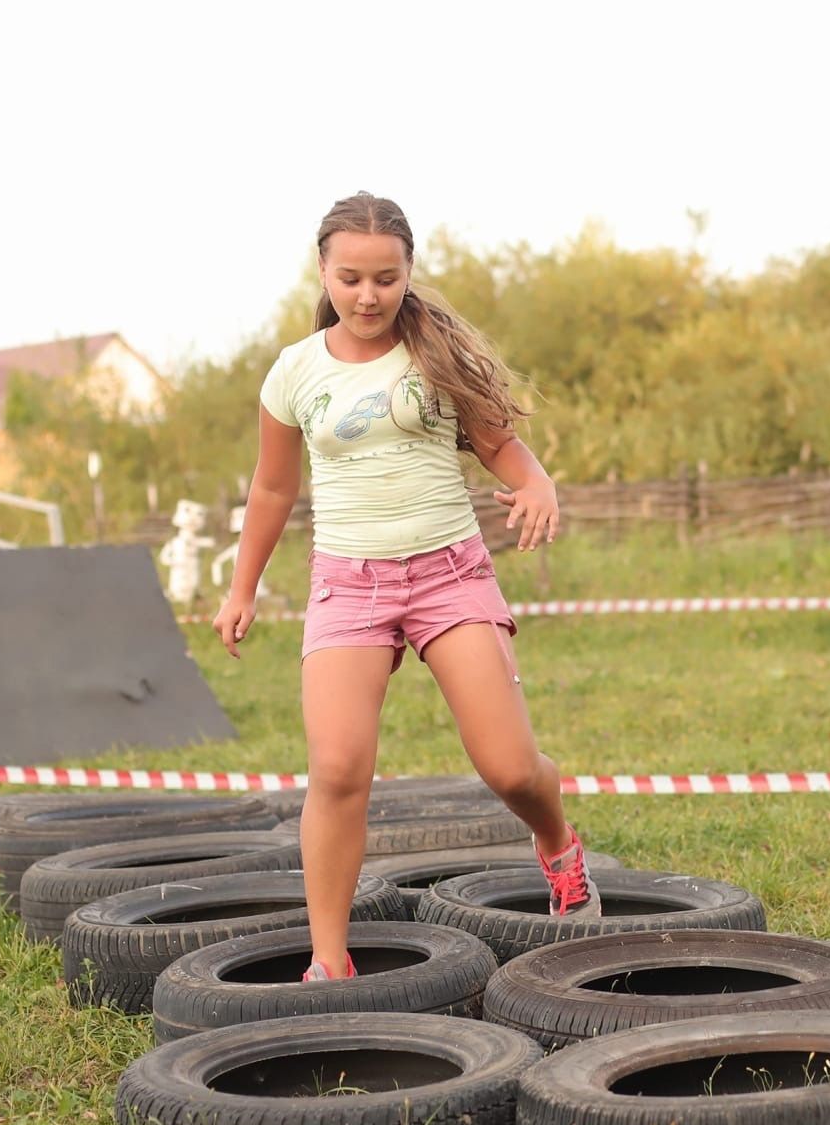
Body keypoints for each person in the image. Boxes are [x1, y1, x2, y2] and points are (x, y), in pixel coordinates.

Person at [212, 191, 600, 982]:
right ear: (323, 270)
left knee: (509, 767)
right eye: (351, 277)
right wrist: (242, 586)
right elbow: (274, 490)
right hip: (347, 586)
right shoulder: (295, 372)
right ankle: (330, 959)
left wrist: (539, 485)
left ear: (407, 273)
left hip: (446, 572)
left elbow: (505, 449)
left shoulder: (433, 354)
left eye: (385, 278)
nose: (368, 295)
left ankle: (557, 843)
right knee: (339, 768)